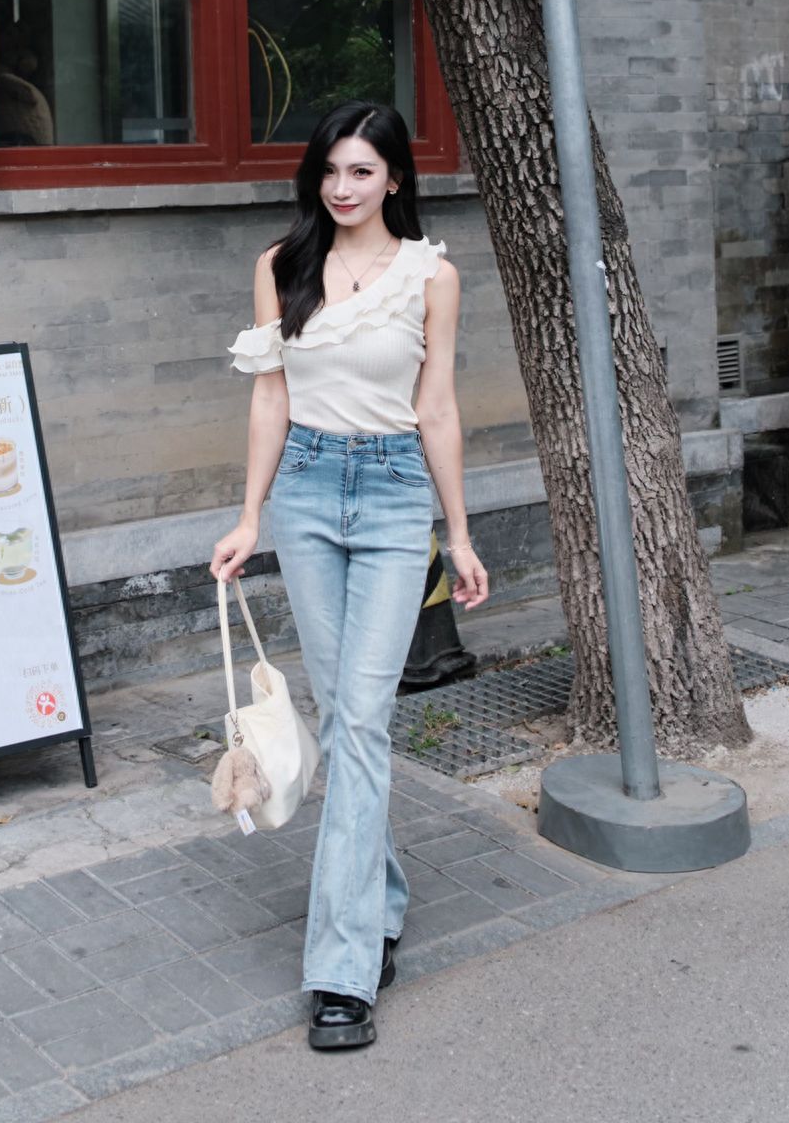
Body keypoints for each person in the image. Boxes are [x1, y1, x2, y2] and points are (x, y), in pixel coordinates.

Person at [212, 99, 489, 1052]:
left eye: (362, 171)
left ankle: (343, 973)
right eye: (331, 170)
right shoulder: (280, 268)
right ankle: (383, 897)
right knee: (344, 721)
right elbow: (270, 400)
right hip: (304, 492)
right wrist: (250, 515)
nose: (342, 187)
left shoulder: (431, 278)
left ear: (396, 180)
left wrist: (458, 536)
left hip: (393, 494)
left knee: (363, 722)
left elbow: (440, 408)